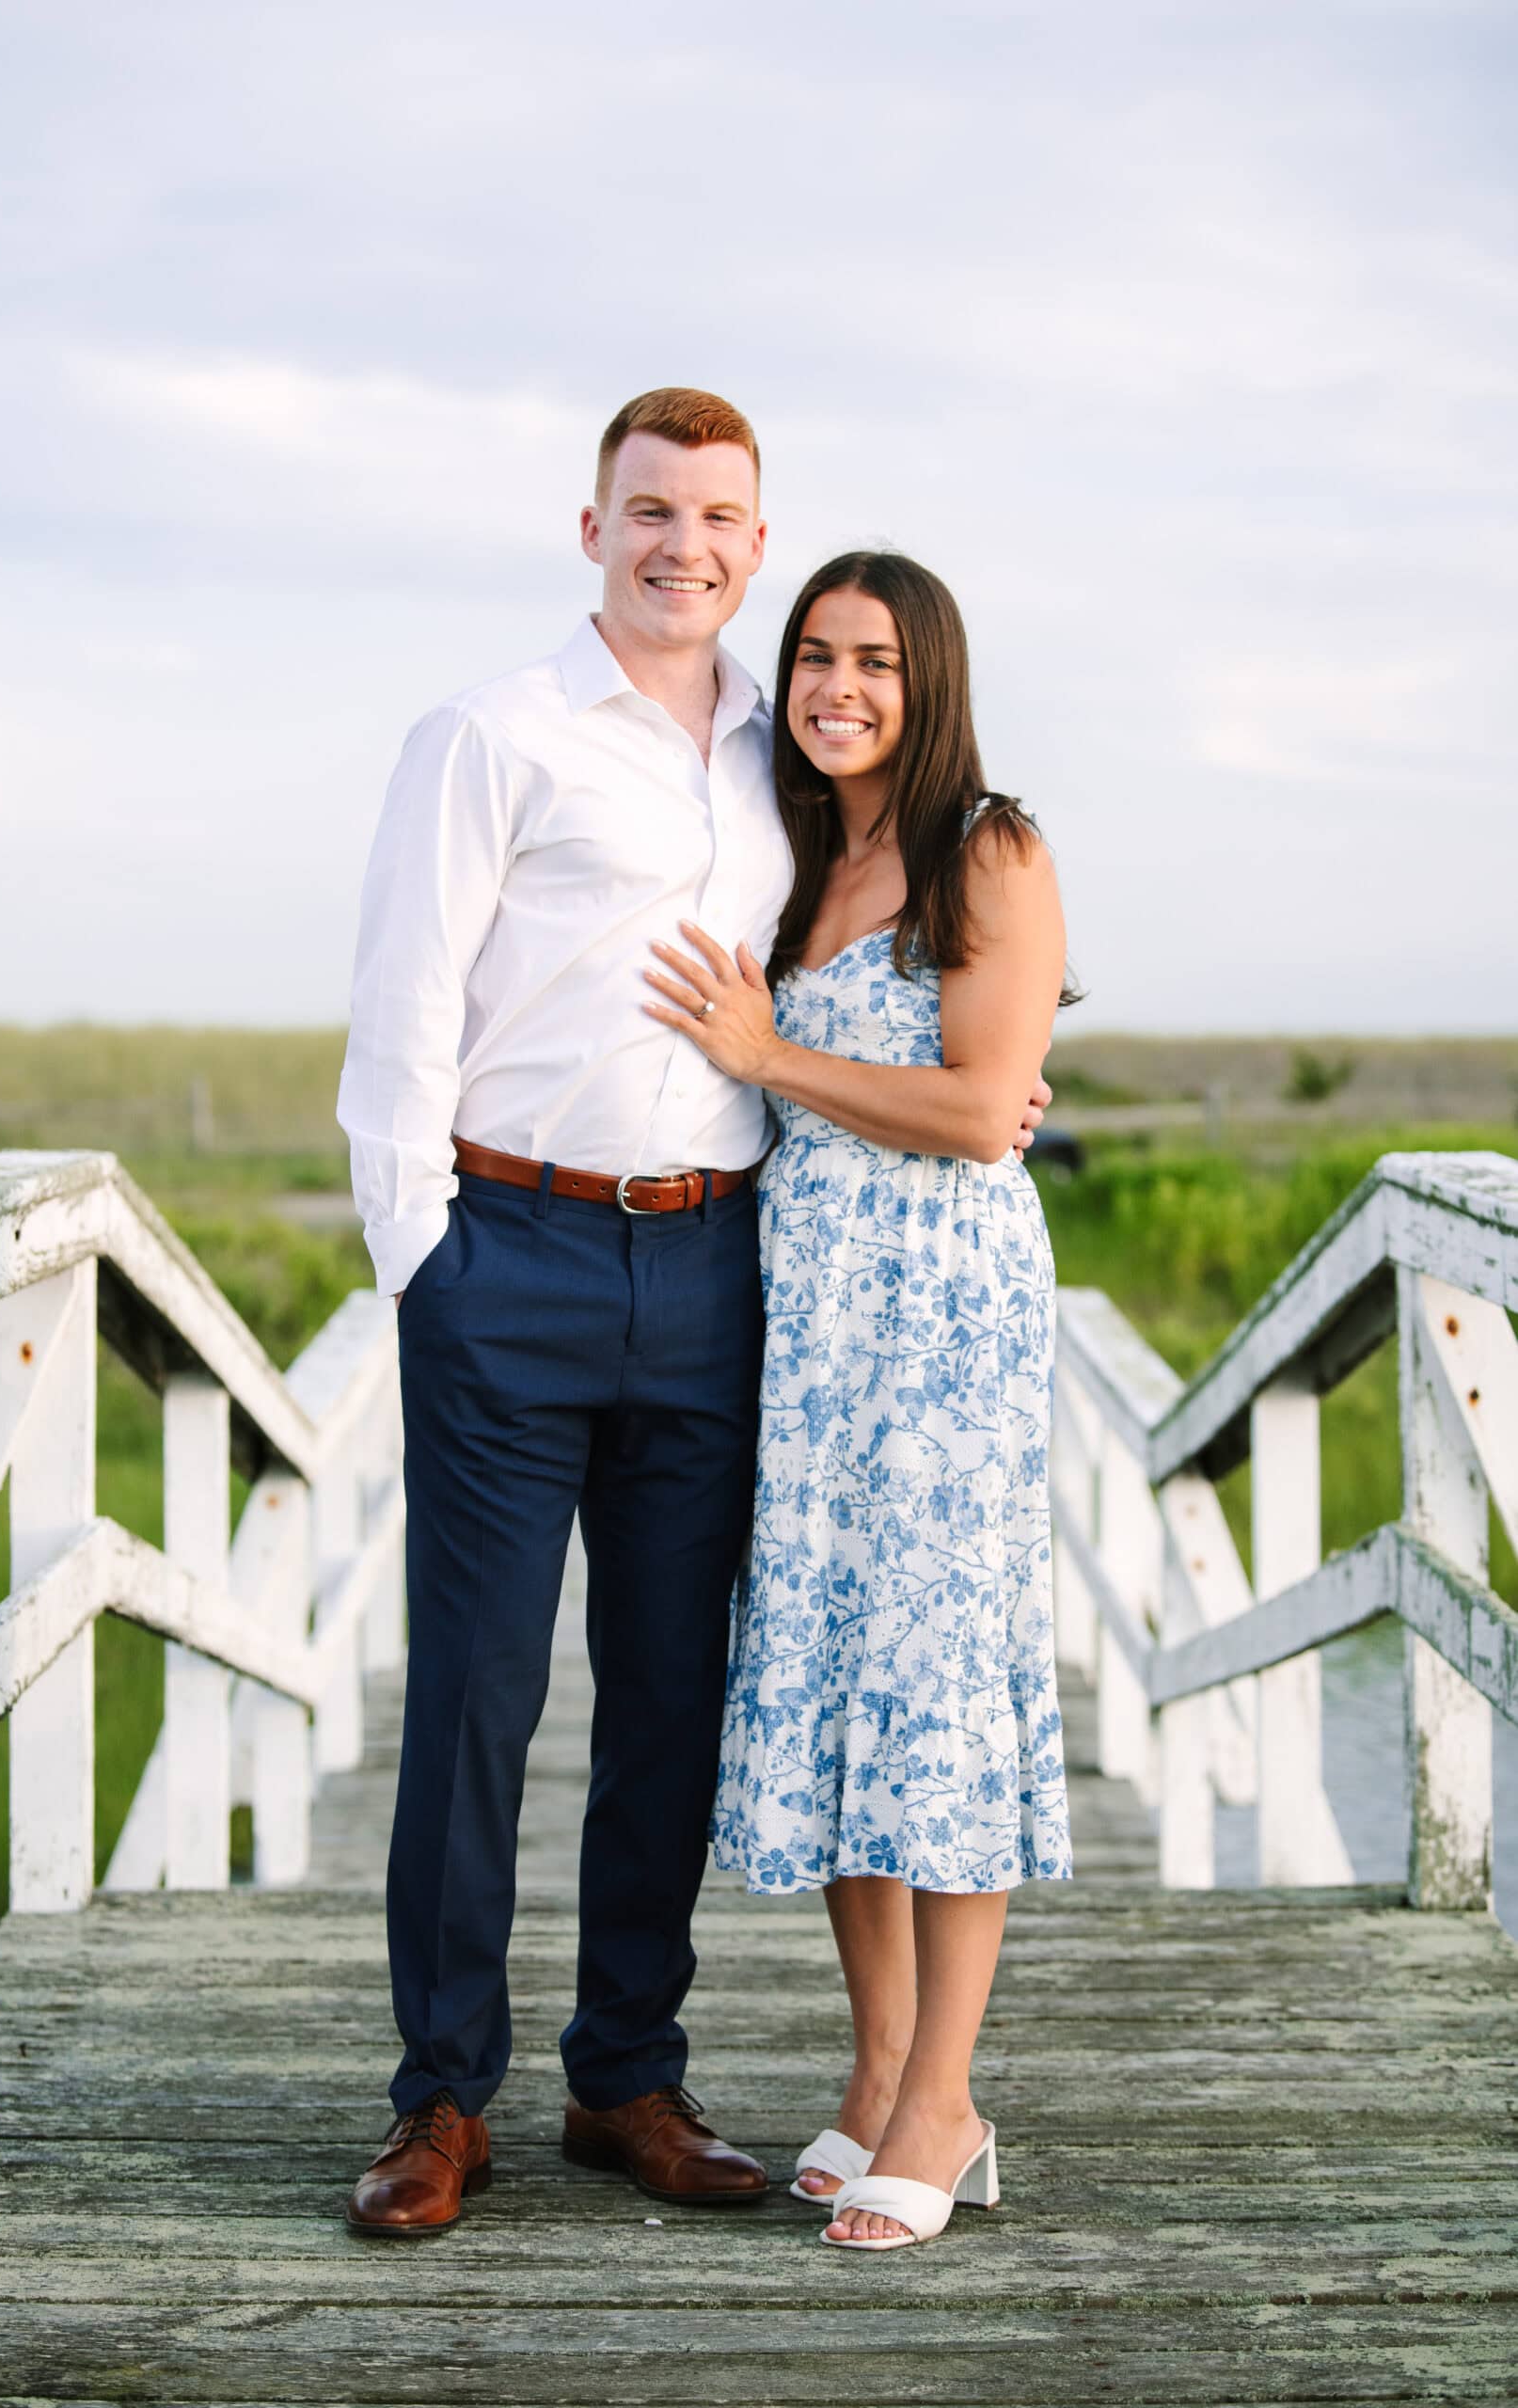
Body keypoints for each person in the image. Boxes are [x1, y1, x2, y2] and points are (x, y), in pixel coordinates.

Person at [642, 549, 1072, 2252]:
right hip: (810, 1334)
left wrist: (771, 1060)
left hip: (944, 1325)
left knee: (939, 1688)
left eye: (874, 662)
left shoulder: (992, 847)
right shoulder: (813, 859)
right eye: (815, 656)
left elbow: (980, 1110)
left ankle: (950, 2095)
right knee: (839, 1691)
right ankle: (886, 2075)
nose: (837, 687)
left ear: (930, 678)